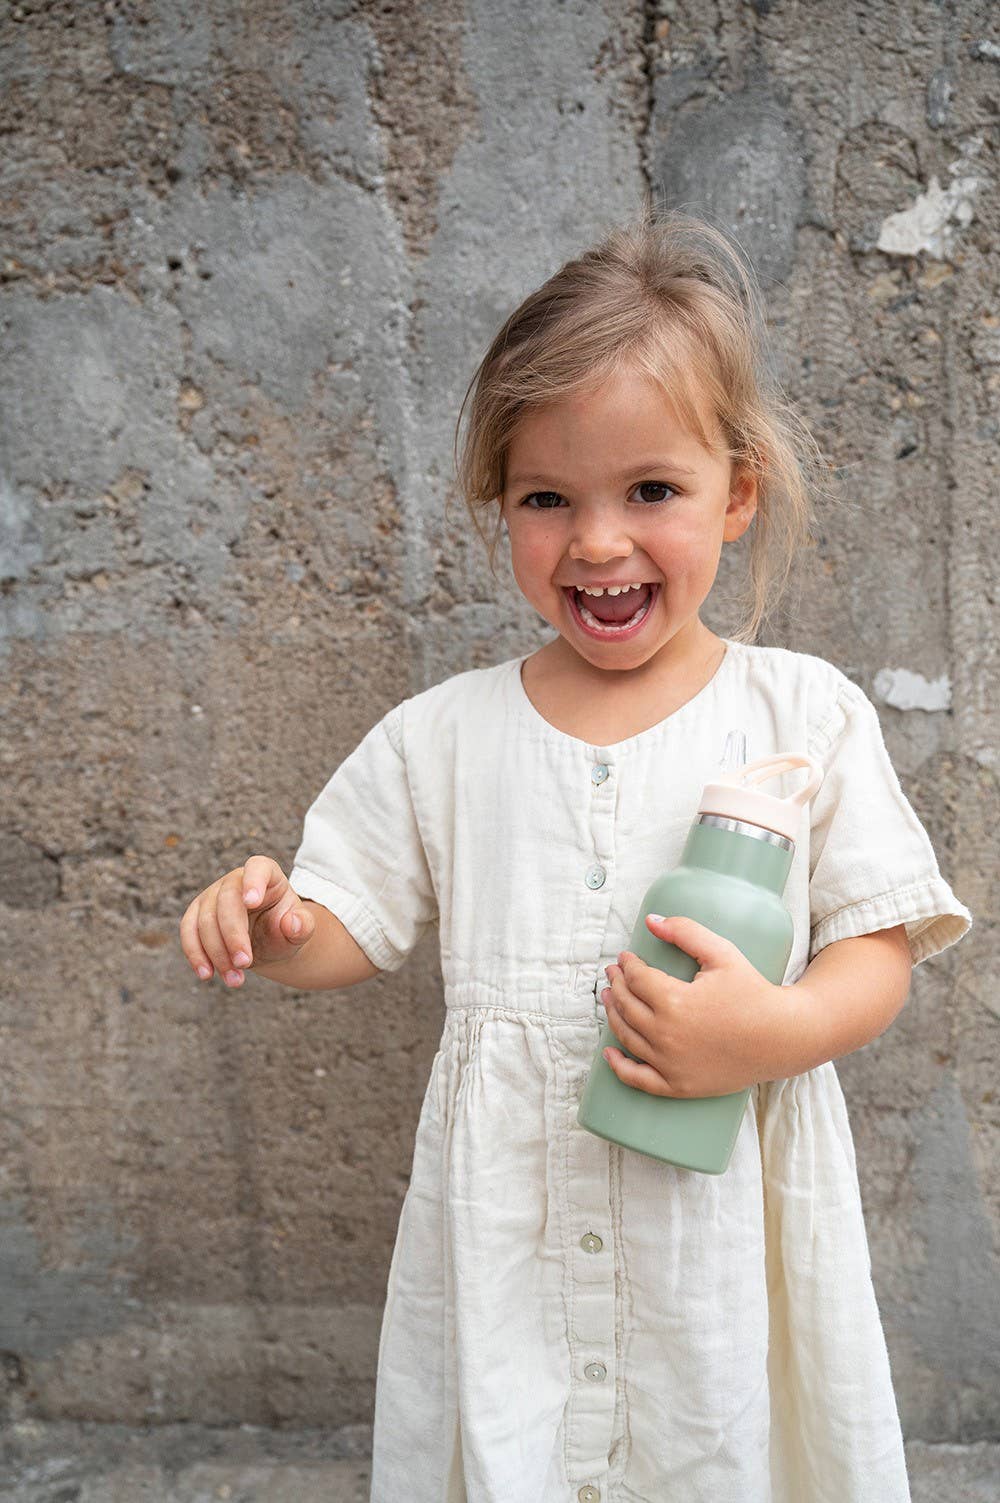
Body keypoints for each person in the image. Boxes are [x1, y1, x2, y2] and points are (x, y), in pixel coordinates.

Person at [179, 209, 972, 1503]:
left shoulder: (802, 713)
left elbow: (877, 951)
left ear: (738, 494)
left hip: (714, 1232)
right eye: (548, 499)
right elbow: (351, 921)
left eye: (651, 490)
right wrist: (276, 923)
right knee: (522, 1447)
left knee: (718, 1443)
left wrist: (763, 1035)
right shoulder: (443, 737)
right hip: (514, 1240)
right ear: (502, 505)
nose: (597, 541)